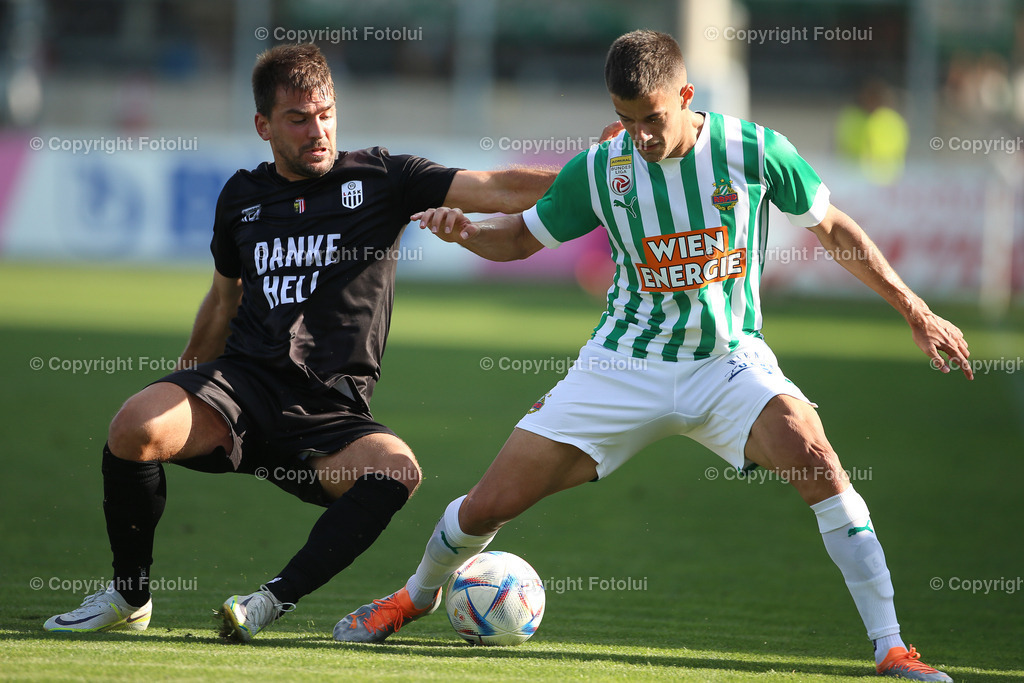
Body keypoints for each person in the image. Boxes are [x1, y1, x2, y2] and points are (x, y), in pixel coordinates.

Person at [334, 30, 969, 683]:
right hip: (622, 363)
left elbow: (833, 227)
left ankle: (891, 646)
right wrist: (470, 234)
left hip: (729, 362)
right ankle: (414, 594)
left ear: (686, 95)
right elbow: (521, 241)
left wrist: (913, 309)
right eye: (626, 120)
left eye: (653, 119)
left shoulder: (754, 150)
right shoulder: (602, 167)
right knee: (489, 504)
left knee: (818, 459)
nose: (640, 137)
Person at [43, 42, 559, 642]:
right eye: (298, 118)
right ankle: (129, 597)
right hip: (241, 386)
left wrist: (600, 171)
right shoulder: (240, 197)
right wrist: (183, 377)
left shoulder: (384, 178)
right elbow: (223, 298)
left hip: (330, 412)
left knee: (396, 472)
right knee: (135, 426)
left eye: (326, 114)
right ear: (263, 125)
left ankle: (269, 602)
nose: (318, 131)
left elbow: (498, 187)